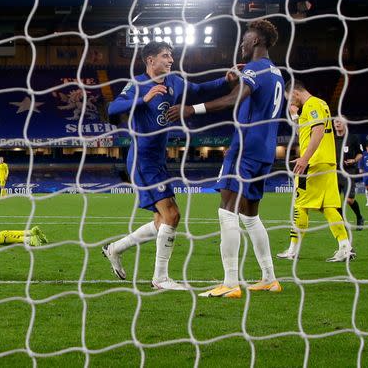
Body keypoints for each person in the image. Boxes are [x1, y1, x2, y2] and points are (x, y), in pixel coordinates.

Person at [103, 40, 235, 291]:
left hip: (157, 159)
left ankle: (114, 249)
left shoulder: (174, 82)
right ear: (150, 60)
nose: (171, 60)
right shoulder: (138, 84)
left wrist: (226, 80)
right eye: (165, 56)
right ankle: (160, 279)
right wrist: (144, 98)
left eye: (171, 56)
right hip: (142, 159)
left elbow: (200, 89)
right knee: (172, 215)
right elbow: (113, 107)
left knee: (161, 220)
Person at [168, 19, 285, 298]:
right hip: (265, 150)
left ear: (256, 41)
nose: (242, 43)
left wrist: (191, 110)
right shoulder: (276, 72)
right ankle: (270, 278)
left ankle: (230, 283)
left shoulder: (256, 69)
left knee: (226, 210)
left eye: (246, 38)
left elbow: (234, 99)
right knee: (250, 215)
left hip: (244, 147)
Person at [275, 80, 355, 263]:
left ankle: (293, 250)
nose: (290, 104)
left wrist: (304, 159)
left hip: (314, 164)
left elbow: (318, 131)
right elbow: (305, 133)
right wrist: (295, 117)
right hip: (326, 162)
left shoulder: (312, 104)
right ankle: (345, 247)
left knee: (300, 204)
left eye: (290, 100)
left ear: (295, 93)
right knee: (329, 207)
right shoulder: (320, 105)